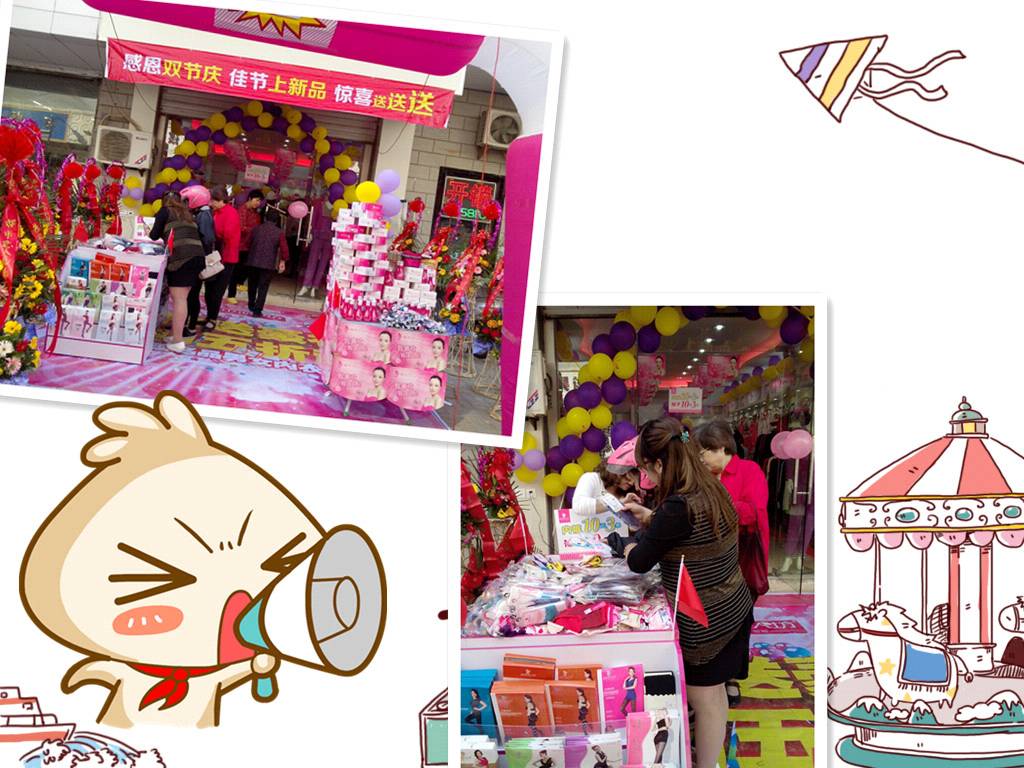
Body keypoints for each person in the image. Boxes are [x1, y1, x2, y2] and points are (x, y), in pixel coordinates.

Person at [622, 417, 754, 768]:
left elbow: (639, 562)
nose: (646, 476)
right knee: (715, 697)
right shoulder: (711, 485)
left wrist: (627, 545)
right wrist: (651, 517)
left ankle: (706, 764)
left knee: (704, 700)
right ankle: (710, 759)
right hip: (734, 606)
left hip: (707, 622)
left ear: (659, 463)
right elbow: (687, 530)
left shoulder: (677, 506)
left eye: (646, 468)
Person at [695, 420, 770, 706]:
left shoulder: (749, 471)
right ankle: (715, 673)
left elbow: (753, 513)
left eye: (703, 452)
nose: (701, 459)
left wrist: (716, 500)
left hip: (742, 560)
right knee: (713, 619)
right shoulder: (704, 476)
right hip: (712, 561)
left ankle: (732, 676)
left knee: (739, 620)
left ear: (721, 448)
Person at [161, 196, 205, 353]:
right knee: (182, 299)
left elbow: (153, 234)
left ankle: (177, 341)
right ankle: (173, 335)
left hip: (182, 259)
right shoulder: (188, 214)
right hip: (197, 258)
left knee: (179, 300)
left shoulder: (165, 211)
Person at [203, 186, 241, 330]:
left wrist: (211, 233)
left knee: (217, 290)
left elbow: (228, 234)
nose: (210, 203)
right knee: (209, 288)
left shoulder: (231, 213)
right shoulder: (214, 212)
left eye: (212, 201)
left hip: (226, 257)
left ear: (220, 200)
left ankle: (212, 318)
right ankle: (209, 316)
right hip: (213, 256)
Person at [179, 185, 216, 334]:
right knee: (191, 294)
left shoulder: (204, 215)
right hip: (196, 258)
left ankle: (191, 326)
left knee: (193, 294)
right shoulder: (202, 213)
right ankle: (186, 324)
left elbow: (207, 239)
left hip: (197, 260)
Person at [245, 207, 288, 318]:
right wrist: (283, 260)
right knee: (263, 287)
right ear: (277, 220)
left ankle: (251, 304)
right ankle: (257, 310)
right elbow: (284, 249)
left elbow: (247, 243)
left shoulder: (256, 229)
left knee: (252, 284)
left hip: (253, 261)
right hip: (268, 264)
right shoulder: (279, 233)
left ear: (265, 218)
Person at [230, 189, 264, 303]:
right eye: (257, 200)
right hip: (240, 245)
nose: (258, 203)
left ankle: (239, 283)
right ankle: (231, 294)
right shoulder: (242, 210)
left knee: (246, 268)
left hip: (249, 245)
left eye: (260, 201)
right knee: (236, 270)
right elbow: (241, 228)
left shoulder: (255, 213)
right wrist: (254, 230)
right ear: (250, 199)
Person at [298, 197, 332, 298]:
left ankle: (315, 286)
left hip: (330, 238)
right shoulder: (319, 205)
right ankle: (306, 285)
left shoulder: (338, 206)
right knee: (312, 261)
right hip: (318, 235)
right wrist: (311, 233)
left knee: (323, 263)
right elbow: (313, 220)